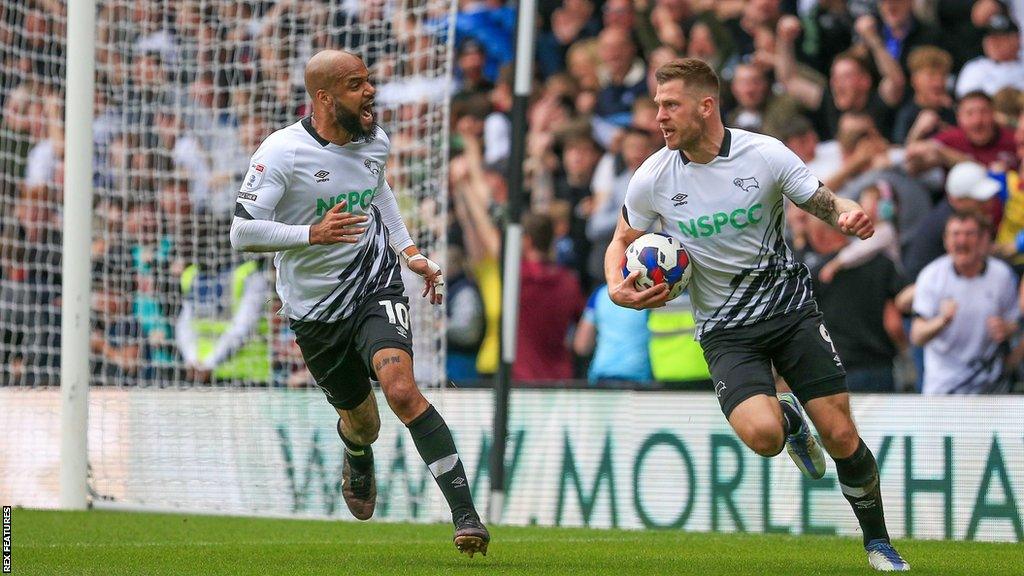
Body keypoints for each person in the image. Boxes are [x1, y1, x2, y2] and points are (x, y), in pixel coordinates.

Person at [604, 58, 909, 571]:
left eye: (670, 105)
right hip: (725, 331)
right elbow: (622, 241)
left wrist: (848, 212)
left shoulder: (762, 154)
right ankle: (788, 420)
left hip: (791, 313)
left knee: (841, 438)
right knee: (765, 438)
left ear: (706, 106)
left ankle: (878, 542)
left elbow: (822, 202)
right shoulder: (652, 177)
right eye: (658, 105)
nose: (659, 116)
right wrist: (617, 288)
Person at [230, 50, 488, 556]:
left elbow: (379, 189)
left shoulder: (375, 140)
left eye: (368, 81)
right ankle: (356, 450)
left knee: (402, 389)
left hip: (375, 285)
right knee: (364, 422)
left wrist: (408, 251)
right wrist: (311, 233)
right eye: (355, 85)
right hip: (313, 310)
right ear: (324, 97)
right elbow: (241, 231)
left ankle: (466, 516)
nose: (369, 91)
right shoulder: (282, 152)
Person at [911, 212, 1019, 394]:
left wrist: (1006, 329)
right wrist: (942, 320)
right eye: (955, 234)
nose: (961, 241)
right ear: (946, 241)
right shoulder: (932, 276)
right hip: (944, 388)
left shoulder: (1002, 276)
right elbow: (917, 336)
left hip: (990, 389)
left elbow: (1015, 323)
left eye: (969, 234)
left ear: (984, 239)